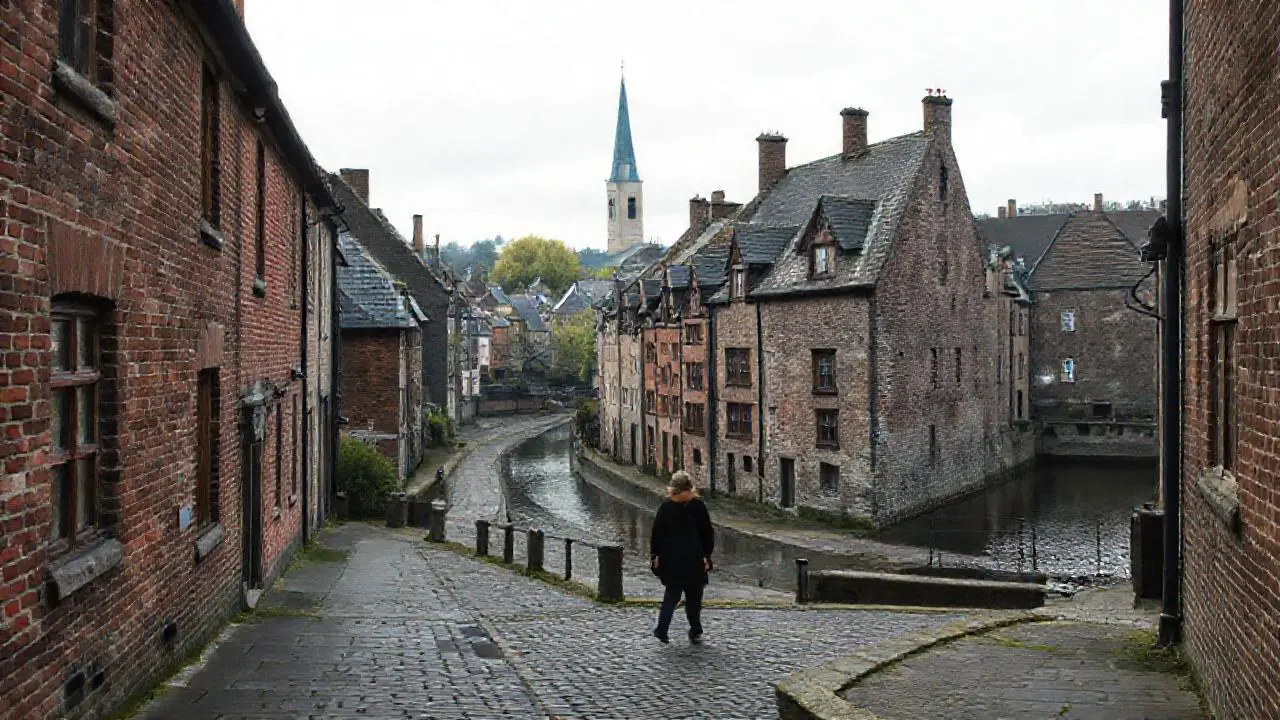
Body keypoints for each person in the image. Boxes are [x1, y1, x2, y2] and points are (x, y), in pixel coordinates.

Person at [649, 470, 714, 644]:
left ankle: (662, 629)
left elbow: (657, 534)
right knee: (694, 597)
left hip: (671, 558)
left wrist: (655, 555)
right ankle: (695, 630)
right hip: (694, 557)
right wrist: (707, 555)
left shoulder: (666, 507)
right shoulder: (698, 506)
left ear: (673, 488)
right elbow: (707, 533)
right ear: (690, 486)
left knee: (671, 595)